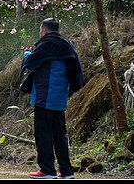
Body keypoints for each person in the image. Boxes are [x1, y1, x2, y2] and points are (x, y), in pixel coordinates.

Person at [20, 18, 84, 179]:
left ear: (44, 31)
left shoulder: (47, 44)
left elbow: (31, 61)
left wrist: (27, 54)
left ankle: (47, 170)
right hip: (60, 97)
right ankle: (67, 171)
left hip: (45, 95)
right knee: (59, 134)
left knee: (43, 133)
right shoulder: (66, 45)